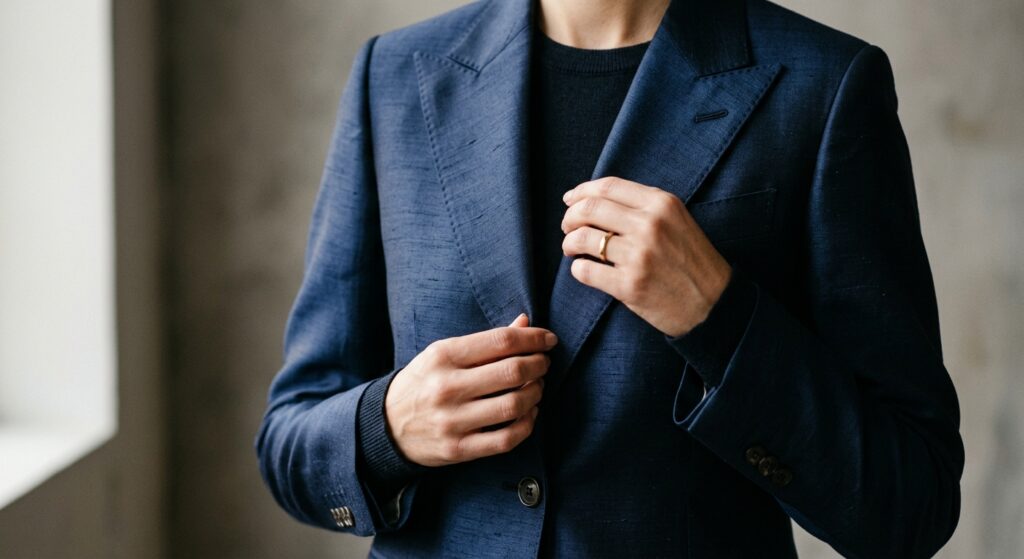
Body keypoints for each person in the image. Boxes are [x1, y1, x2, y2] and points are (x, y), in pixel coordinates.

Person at [255, 0, 965, 556]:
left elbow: (911, 504)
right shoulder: (396, 77)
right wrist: (386, 429)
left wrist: (721, 319)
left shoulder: (824, 85)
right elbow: (289, 439)